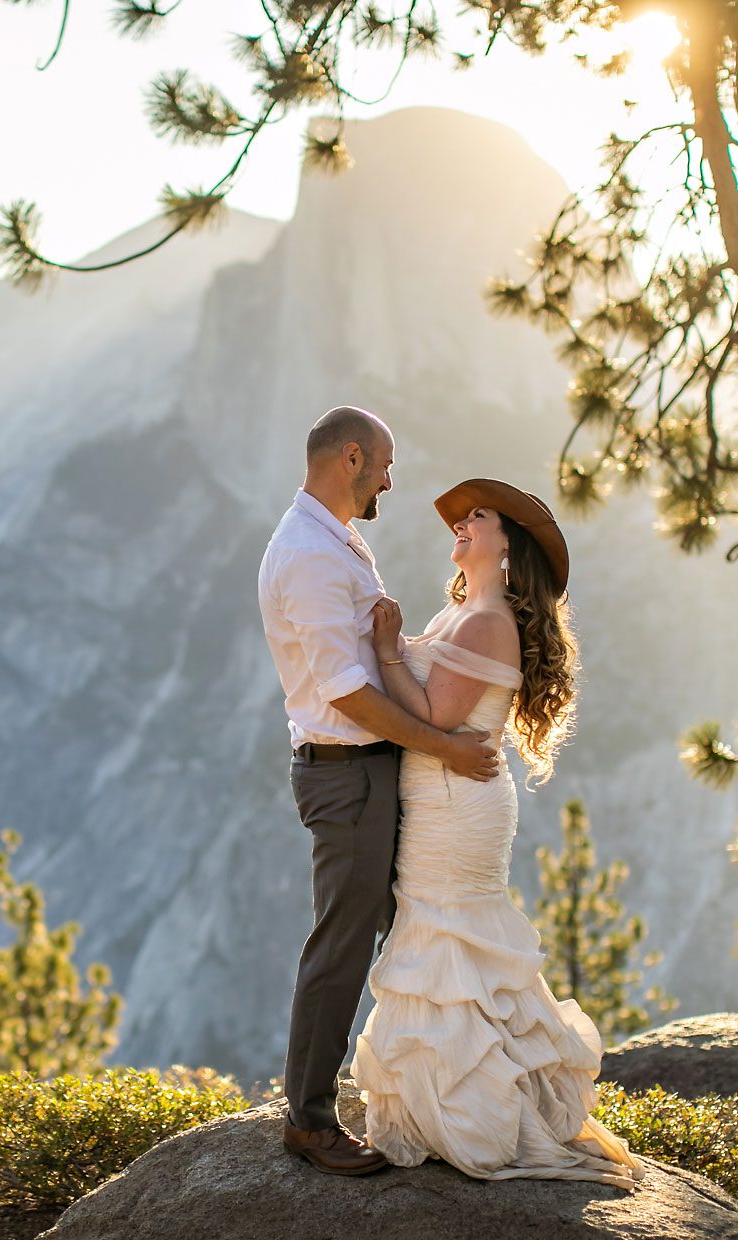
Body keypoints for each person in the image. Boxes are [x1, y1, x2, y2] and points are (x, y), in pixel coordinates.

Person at [350, 477, 645, 1189]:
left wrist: (389, 651)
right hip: (445, 794)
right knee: (445, 935)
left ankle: (471, 1114)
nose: (461, 525)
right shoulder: (467, 610)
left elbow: (436, 715)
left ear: (507, 543)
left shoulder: (486, 621)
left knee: (446, 936)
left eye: (475, 518)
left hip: (457, 800)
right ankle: (460, 1100)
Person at [257, 407, 502, 1176]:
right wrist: (447, 748)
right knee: (344, 938)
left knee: (397, 926)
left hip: (370, 770)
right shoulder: (309, 554)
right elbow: (348, 694)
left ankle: (428, 1091)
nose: (392, 480)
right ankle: (309, 1120)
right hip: (348, 772)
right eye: (386, 465)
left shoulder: (333, 539)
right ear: (352, 457)